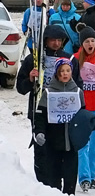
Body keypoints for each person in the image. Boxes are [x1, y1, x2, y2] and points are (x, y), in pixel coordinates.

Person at [16, 24, 71, 183]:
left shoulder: (67, 59)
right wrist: (30, 79)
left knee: (58, 149)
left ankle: (56, 183)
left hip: (61, 112)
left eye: (59, 40)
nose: (56, 43)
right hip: (38, 111)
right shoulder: (33, 59)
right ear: (45, 40)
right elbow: (20, 87)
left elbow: (76, 85)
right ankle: (43, 184)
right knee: (42, 149)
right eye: (52, 40)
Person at [32, 58, 83, 195]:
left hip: (71, 143)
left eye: (68, 70)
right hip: (53, 142)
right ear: (56, 73)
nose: (65, 74)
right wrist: (39, 132)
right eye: (62, 71)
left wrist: (86, 131)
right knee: (54, 178)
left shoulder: (78, 92)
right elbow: (40, 116)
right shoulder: (48, 93)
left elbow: (83, 115)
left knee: (70, 177)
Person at [72, 26, 95, 191]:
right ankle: (84, 177)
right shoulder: (76, 58)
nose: (90, 43)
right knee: (82, 144)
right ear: (82, 43)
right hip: (83, 107)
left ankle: (93, 176)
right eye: (87, 41)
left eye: (92, 40)